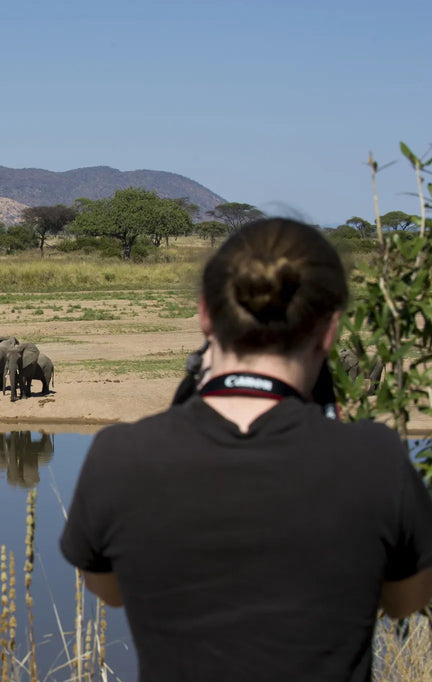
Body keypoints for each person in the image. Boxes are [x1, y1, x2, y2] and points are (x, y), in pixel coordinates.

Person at [60, 218, 432, 681]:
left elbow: (110, 591)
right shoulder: (376, 459)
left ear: (205, 316)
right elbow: (405, 602)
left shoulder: (119, 455)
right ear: (330, 329)